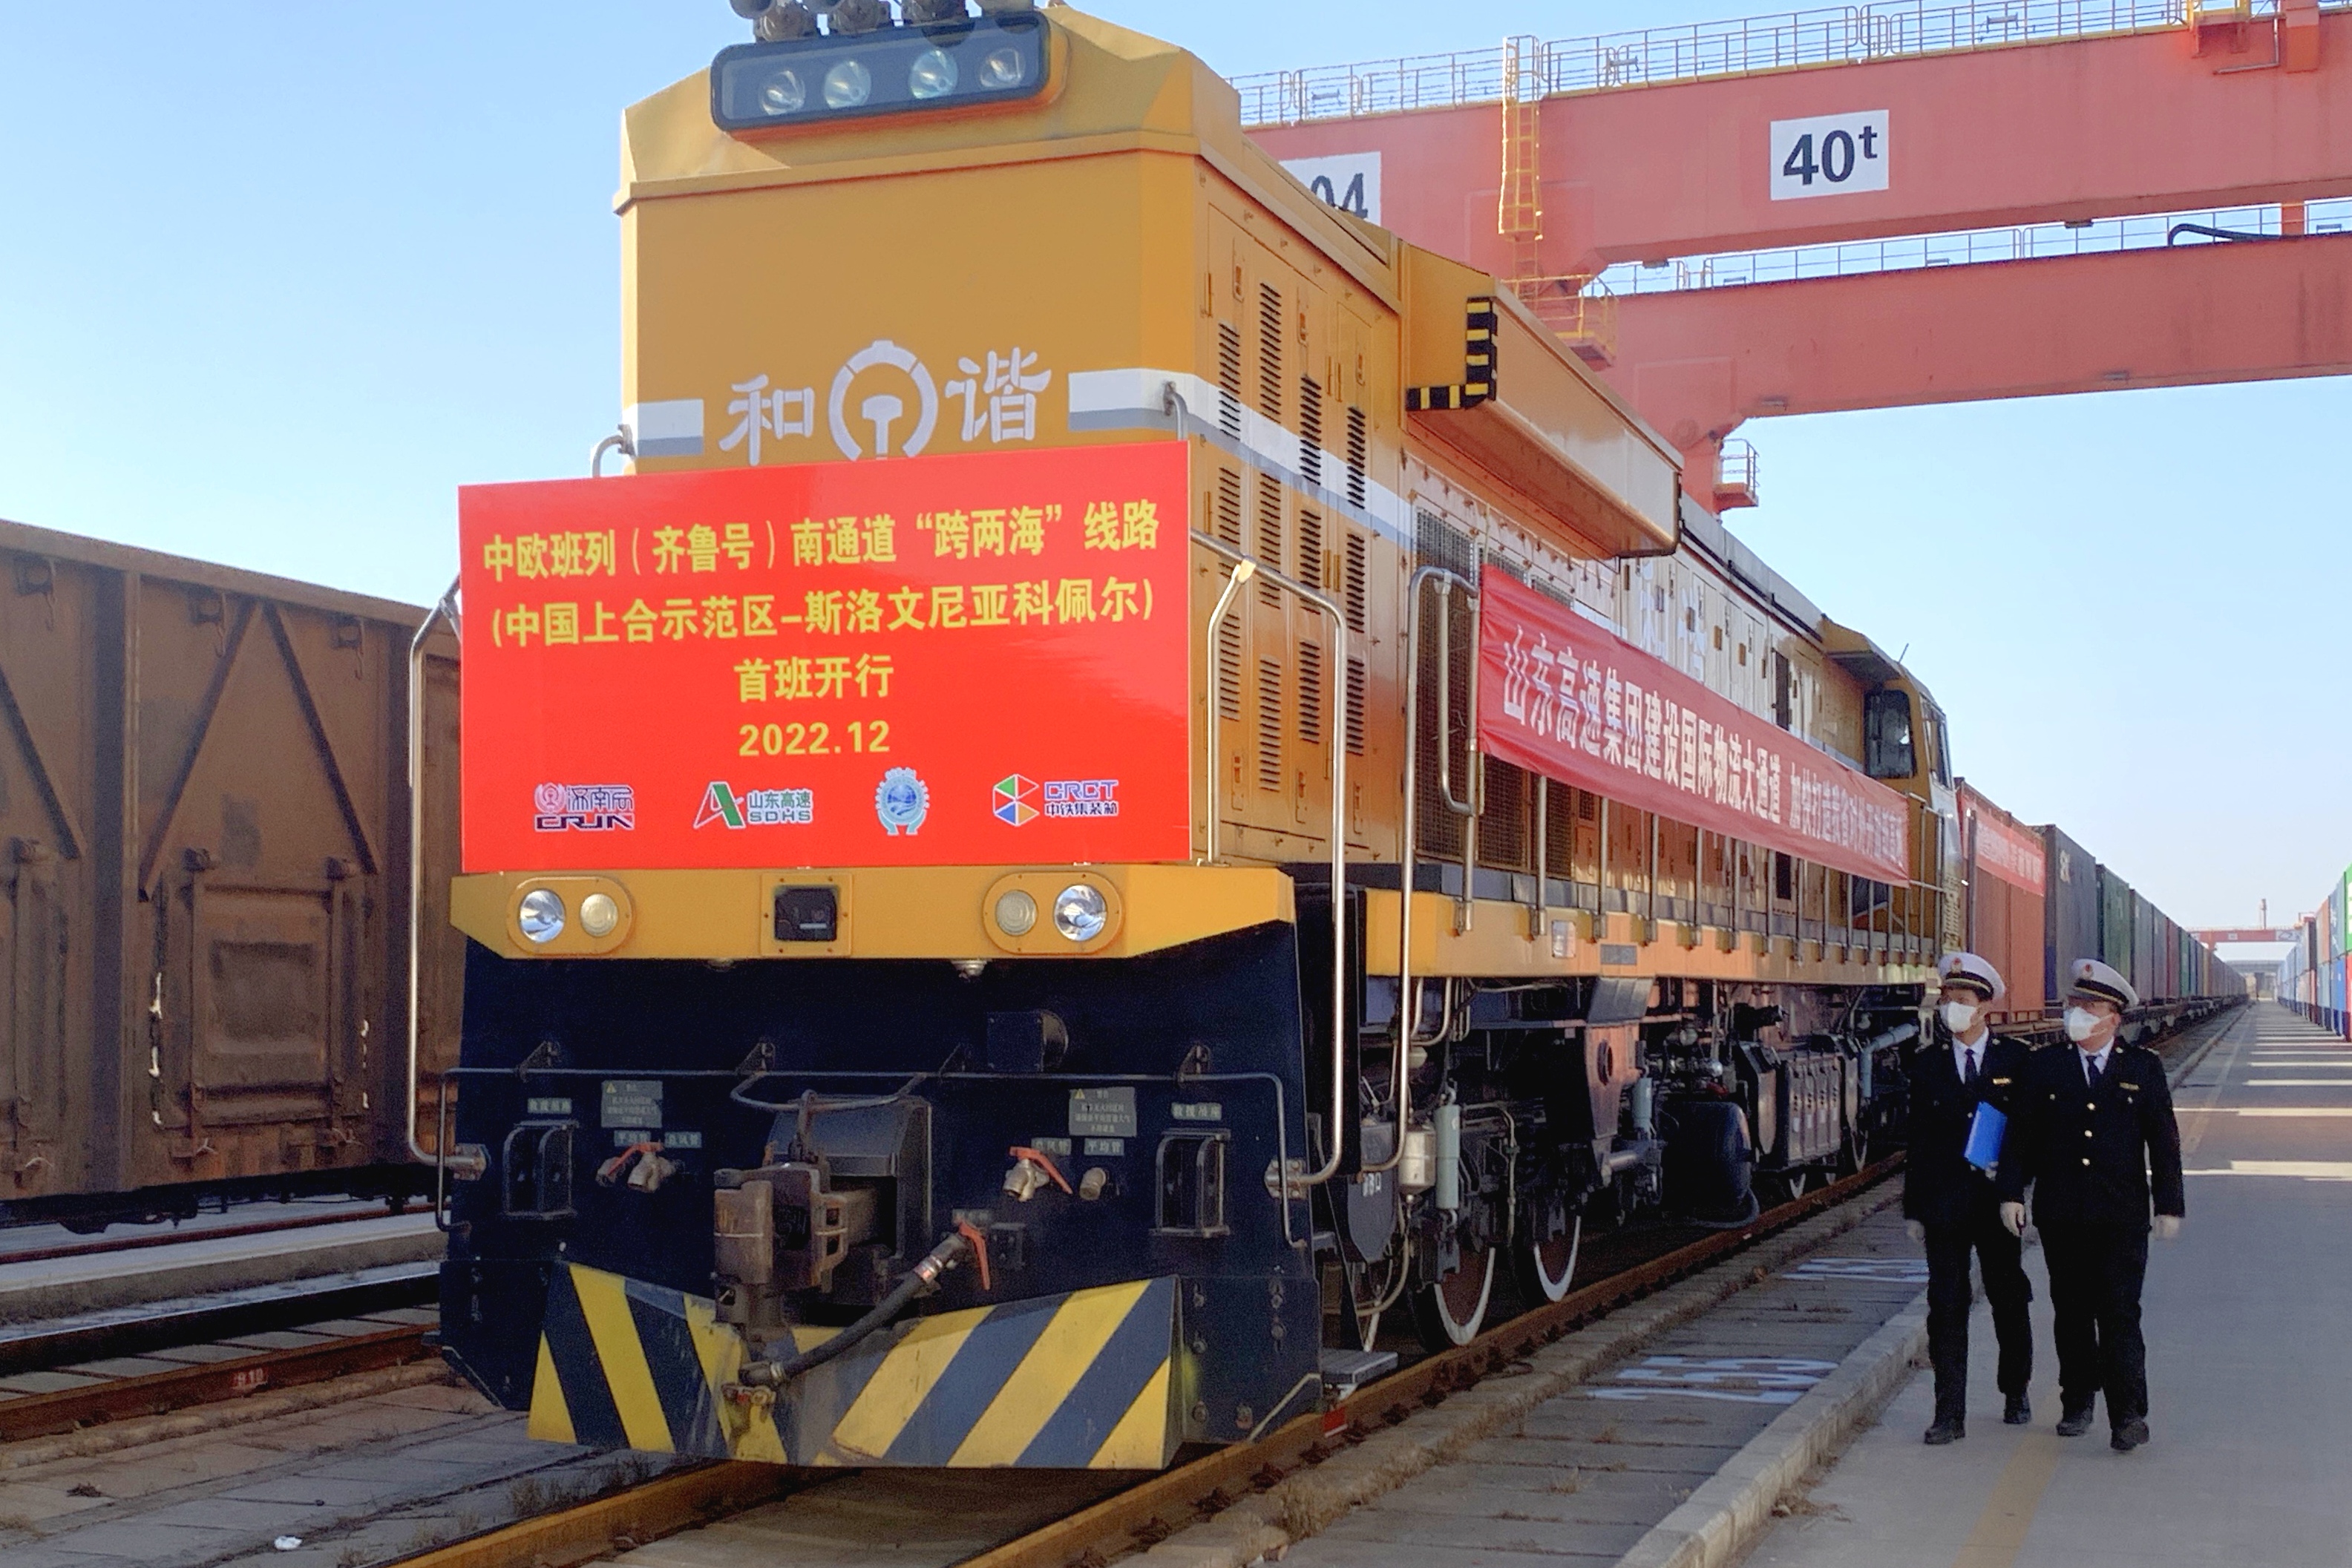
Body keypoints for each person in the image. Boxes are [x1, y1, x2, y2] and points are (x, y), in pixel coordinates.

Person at [1997, 958, 2184, 1452]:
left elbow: (2164, 1142)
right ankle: (2077, 1400)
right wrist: (2011, 1194)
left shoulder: (2141, 1068)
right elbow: (2019, 1138)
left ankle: (2128, 1414)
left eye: (2089, 1007)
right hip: (2062, 1213)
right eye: (2074, 1005)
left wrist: (2169, 1204)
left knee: (2120, 1312)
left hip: (2121, 1215)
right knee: (2072, 1311)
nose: (2076, 1014)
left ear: (2113, 1018)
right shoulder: (2046, 1066)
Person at [1904, 951, 2034, 1444]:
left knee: (2008, 1297)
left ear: (1984, 1006)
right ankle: (1948, 1413)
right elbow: (1917, 1143)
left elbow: (2023, 1137)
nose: (1950, 1008)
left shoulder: (2015, 1060)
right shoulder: (1927, 1064)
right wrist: (1914, 1209)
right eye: (1946, 998)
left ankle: (2015, 1390)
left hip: (1997, 1204)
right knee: (1945, 1304)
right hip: (1944, 1204)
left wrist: (2013, 1192)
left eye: (1960, 999)